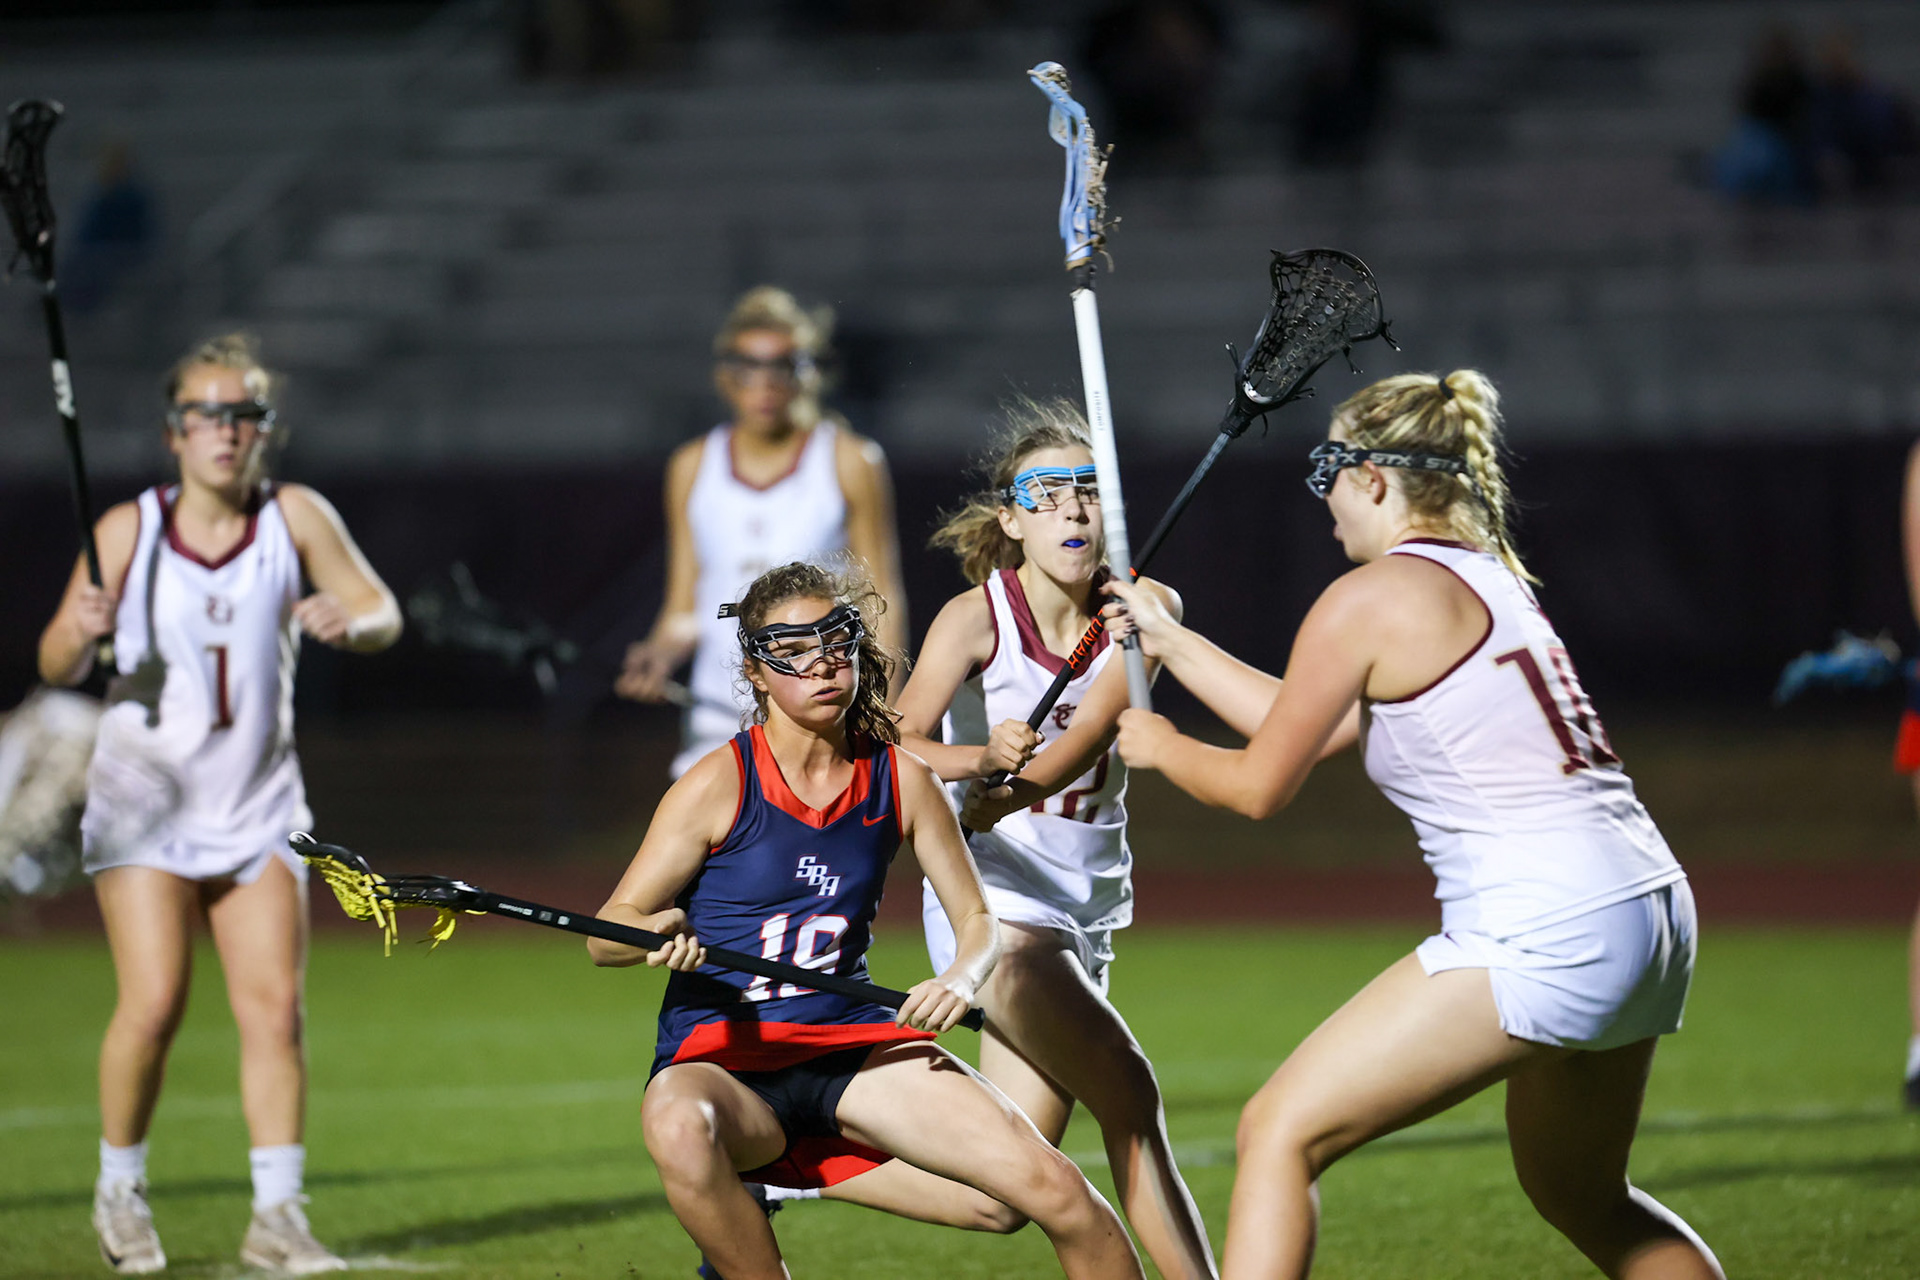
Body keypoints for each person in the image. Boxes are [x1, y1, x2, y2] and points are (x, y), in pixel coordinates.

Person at [1102, 371, 1723, 1279]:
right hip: (1648, 910)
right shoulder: (1487, 575)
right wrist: (1173, 642)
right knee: (1583, 1195)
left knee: (1277, 1131)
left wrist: (1159, 748)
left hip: (1545, 924)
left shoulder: (1369, 598)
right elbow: (1323, 725)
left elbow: (1257, 787)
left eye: (1332, 475)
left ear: (1377, 478)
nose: (1327, 507)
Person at [591, 561, 1144, 1280]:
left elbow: (976, 916)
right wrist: (652, 932)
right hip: (724, 1064)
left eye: (834, 641)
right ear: (757, 674)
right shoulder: (717, 784)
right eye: (790, 652)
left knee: (1058, 1196)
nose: (820, 664)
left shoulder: (900, 775)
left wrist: (960, 975)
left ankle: (789, 1170)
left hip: (852, 1052)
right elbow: (608, 933)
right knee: (674, 1121)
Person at [778, 402, 1217, 1280]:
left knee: (1004, 1198)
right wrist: (976, 758)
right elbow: (890, 740)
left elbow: (1081, 744)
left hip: (1086, 907)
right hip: (997, 906)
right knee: (1131, 1103)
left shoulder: (1147, 610)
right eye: (1047, 494)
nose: (1074, 509)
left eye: (1089, 492)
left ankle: (785, 1168)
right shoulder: (975, 619)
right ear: (1012, 520)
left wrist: (1010, 783)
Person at [37, 333, 402, 1276]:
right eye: (208, 414)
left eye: (243, 414)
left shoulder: (294, 516)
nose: (226, 430)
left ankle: (277, 1216)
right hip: (143, 809)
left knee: (276, 1013)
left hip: (259, 805)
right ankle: (120, 1189)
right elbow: (53, 665)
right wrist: (79, 632)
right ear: (174, 433)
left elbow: (380, 609)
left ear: (262, 431)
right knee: (153, 1003)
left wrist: (349, 621)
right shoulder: (128, 528)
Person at [615, 286, 907, 777]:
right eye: (747, 365)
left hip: (820, 711)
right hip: (718, 715)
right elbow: (684, 610)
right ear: (724, 376)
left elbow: (884, 600)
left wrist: (888, 713)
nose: (764, 383)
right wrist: (658, 655)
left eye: (782, 365)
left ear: (808, 372)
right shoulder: (691, 466)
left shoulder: (851, 460)